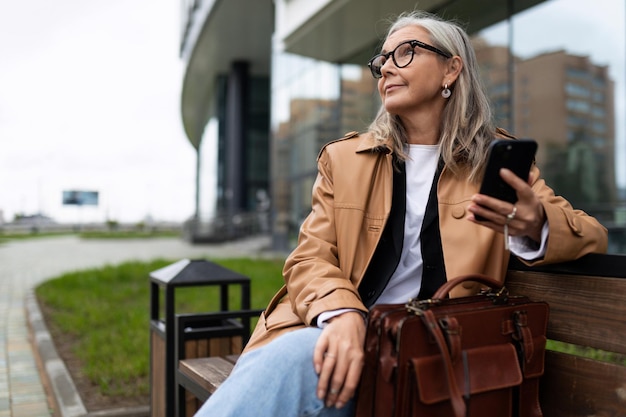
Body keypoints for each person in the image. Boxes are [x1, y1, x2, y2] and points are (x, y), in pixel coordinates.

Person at [194, 10, 607, 417]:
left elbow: (591, 233)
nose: (387, 68)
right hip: (346, 335)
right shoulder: (344, 159)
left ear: (451, 70)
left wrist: (535, 225)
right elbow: (310, 257)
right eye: (383, 60)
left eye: (405, 52)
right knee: (295, 360)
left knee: (291, 367)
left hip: (431, 358)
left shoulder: (494, 163)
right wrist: (342, 314)